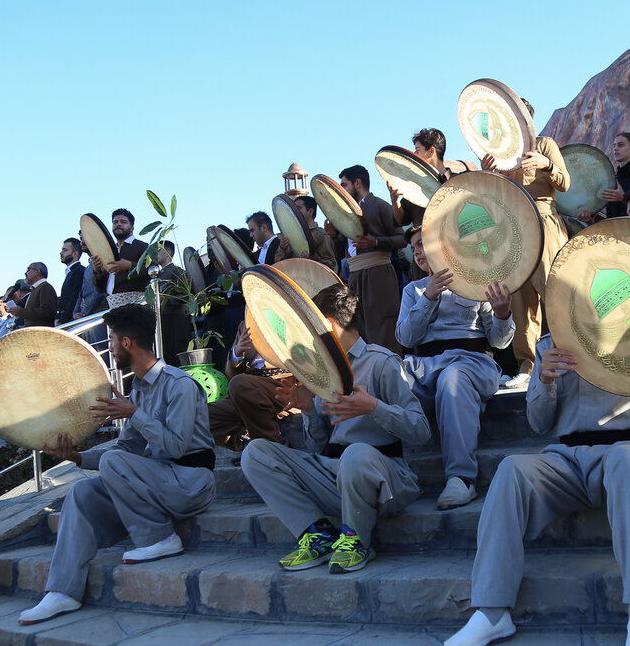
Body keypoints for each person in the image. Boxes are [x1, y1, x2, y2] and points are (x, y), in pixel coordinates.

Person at [441, 334, 630, 646]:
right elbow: (538, 424)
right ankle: (492, 611)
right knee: (511, 468)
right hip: (567, 457)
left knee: (627, 460)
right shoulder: (551, 344)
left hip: (627, 449)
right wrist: (544, 380)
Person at [19, 304, 216, 625]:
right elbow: (127, 451)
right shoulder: (137, 390)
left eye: (111, 340)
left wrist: (133, 413)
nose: (108, 347)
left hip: (191, 483)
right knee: (82, 492)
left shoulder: (179, 384)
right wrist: (76, 457)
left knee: (113, 460)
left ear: (127, 343)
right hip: (157, 483)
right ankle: (62, 592)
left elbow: (177, 445)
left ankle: (159, 538)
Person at [240, 283, 429, 574]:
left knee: (356, 454)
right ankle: (317, 534)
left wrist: (373, 408)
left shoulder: (382, 363)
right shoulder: (321, 370)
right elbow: (318, 447)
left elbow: (421, 430)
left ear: (327, 325)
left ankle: (357, 540)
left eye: (310, 326)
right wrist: (309, 410)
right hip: (335, 473)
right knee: (255, 453)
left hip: (385, 478)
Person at [396, 226, 515, 510]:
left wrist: (502, 313)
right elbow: (406, 338)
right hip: (425, 365)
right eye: (414, 247)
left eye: (423, 244)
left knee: (452, 380)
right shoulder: (413, 290)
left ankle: (461, 478)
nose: (418, 251)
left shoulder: (476, 283)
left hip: (470, 361)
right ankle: (383, 470)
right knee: (385, 376)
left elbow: (499, 341)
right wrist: (429, 298)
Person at [480, 99, 571, 387]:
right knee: (520, 299)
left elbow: (566, 182)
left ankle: (572, 354)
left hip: (544, 221)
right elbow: (492, 197)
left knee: (555, 292)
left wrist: (546, 164)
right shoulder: (500, 154)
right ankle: (527, 366)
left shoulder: (545, 144)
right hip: (514, 226)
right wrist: (488, 173)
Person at [340, 164, 406, 353]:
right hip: (355, 276)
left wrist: (375, 242)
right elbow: (343, 249)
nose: (341, 191)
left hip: (378, 275)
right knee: (359, 329)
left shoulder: (379, 205)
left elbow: (402, 238)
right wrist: (332, 235)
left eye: (344, 185)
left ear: (357, 183)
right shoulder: (345, 213)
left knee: (382, 328)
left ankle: (390, 375)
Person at [208, 322, 288, 451]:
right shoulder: (246, 323)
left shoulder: (290, 318)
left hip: (282, 385)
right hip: (248, 389)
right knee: (201, 415)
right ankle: (247, 442)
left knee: (240, 384)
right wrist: (237, 354)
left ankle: (271, 447)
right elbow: (231, 375)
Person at [100, 208, 151, 306]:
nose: (118, 224)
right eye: (115, 222)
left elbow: (153, 269)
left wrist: (130, 266)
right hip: (109, 304)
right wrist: (96, 271)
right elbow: (100, 284)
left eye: (123, 222)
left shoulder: (143, 247)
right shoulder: (107, 251)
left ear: (132, 227)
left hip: (134, 304)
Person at [589, 132, 630, 222]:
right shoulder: (612, 179)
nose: (615, 148)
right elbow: (611, 218)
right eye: (614, 146)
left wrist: (624, 198)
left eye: (620, 145)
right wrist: (589, 220)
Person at [275, 195, 338, 269]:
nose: (295, 212)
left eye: (299, 208)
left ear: (310, 211)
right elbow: (279, 263)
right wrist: (282, 248)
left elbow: (332, 264)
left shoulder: (320, 234)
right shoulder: (290, 235)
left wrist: (315, 260)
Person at [153, 240, 190, 360]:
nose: (155, 254)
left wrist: (165, 299)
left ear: (168, 252)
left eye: (159, 250)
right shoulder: (157, 275)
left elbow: (186, 295)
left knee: (176, 358)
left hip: (176, 323)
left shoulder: (177, 271)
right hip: (161, 323)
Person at [5, 262, 57, 328]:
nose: (25, 273)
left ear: (38, 271)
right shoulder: (36, 289)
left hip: (41, 333)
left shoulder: (45, 287)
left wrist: (20, 311)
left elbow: (47, 312)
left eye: (28, 269)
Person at [57, 237, 85, 325]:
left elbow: (75, 297)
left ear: (75, 253)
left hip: (72, 320)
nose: (61, 253)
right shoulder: (71, 272)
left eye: (65, 250)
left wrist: (63, 320)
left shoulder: (79, 271)